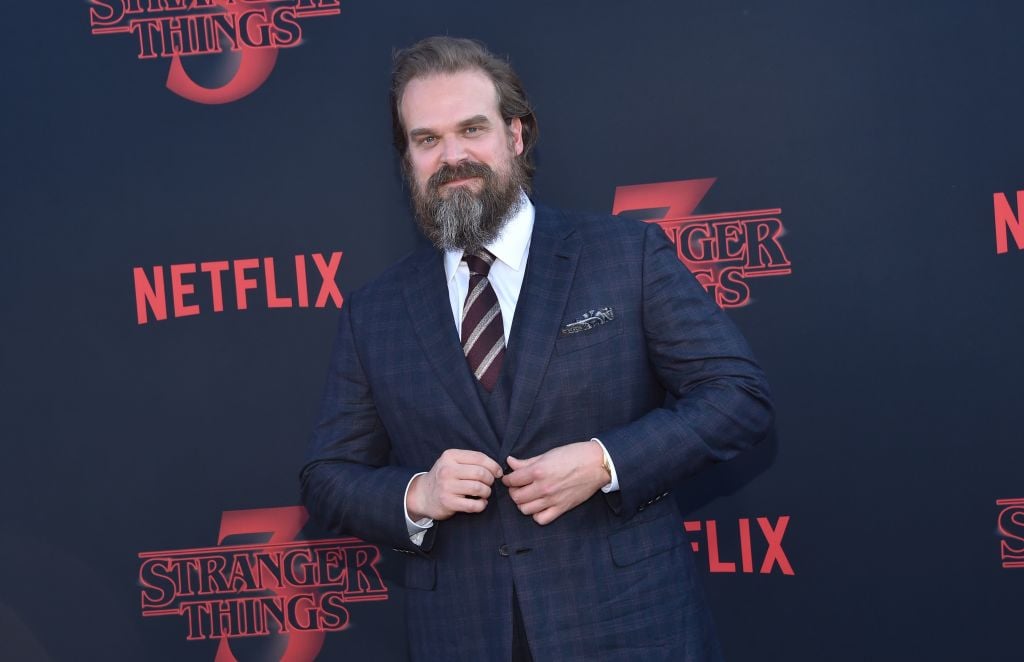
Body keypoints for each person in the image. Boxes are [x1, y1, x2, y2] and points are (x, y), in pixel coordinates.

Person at [300, 36, 773, 661]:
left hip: (631, 627)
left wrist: (606, 461)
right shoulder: (375, 310)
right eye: (426, 139)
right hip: (462, 637)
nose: (452, 156)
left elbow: (737, 398)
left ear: (517, 135)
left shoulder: (624, 256)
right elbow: (327, 479)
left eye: (472, 128)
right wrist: (418, 493)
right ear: (407, 159)